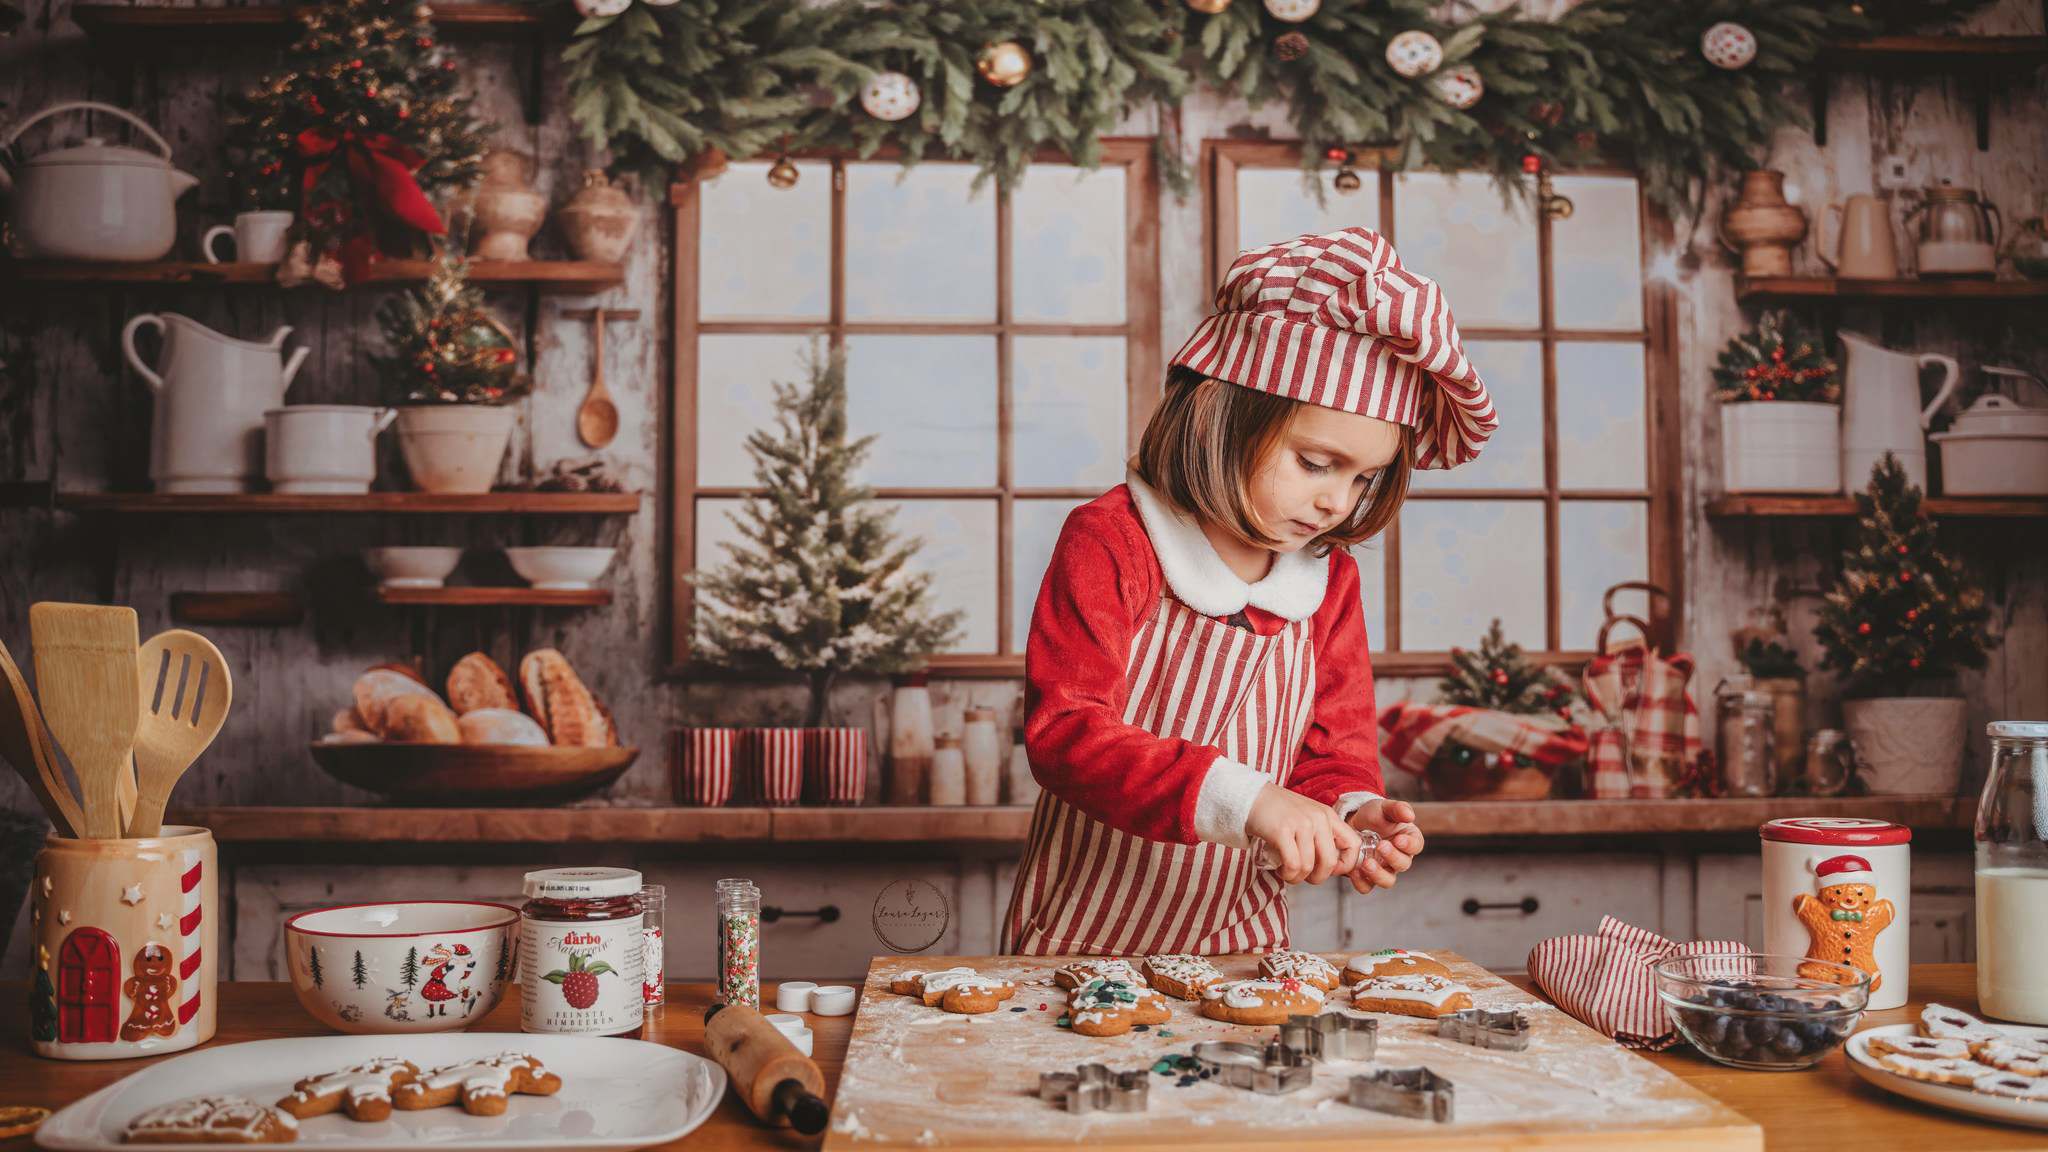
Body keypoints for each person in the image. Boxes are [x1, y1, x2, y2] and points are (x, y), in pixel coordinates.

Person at [1001, 226, 1497, 956]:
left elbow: (1336, 748)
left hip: (1244, 941)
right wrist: (1249, 799)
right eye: (1317, 462)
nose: (1337, 502)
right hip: (1081, 933)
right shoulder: (1115, 539)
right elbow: (1066, 736)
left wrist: (1352, 813)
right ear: (1224, 416)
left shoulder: (1328, 580)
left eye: (1362, 479)